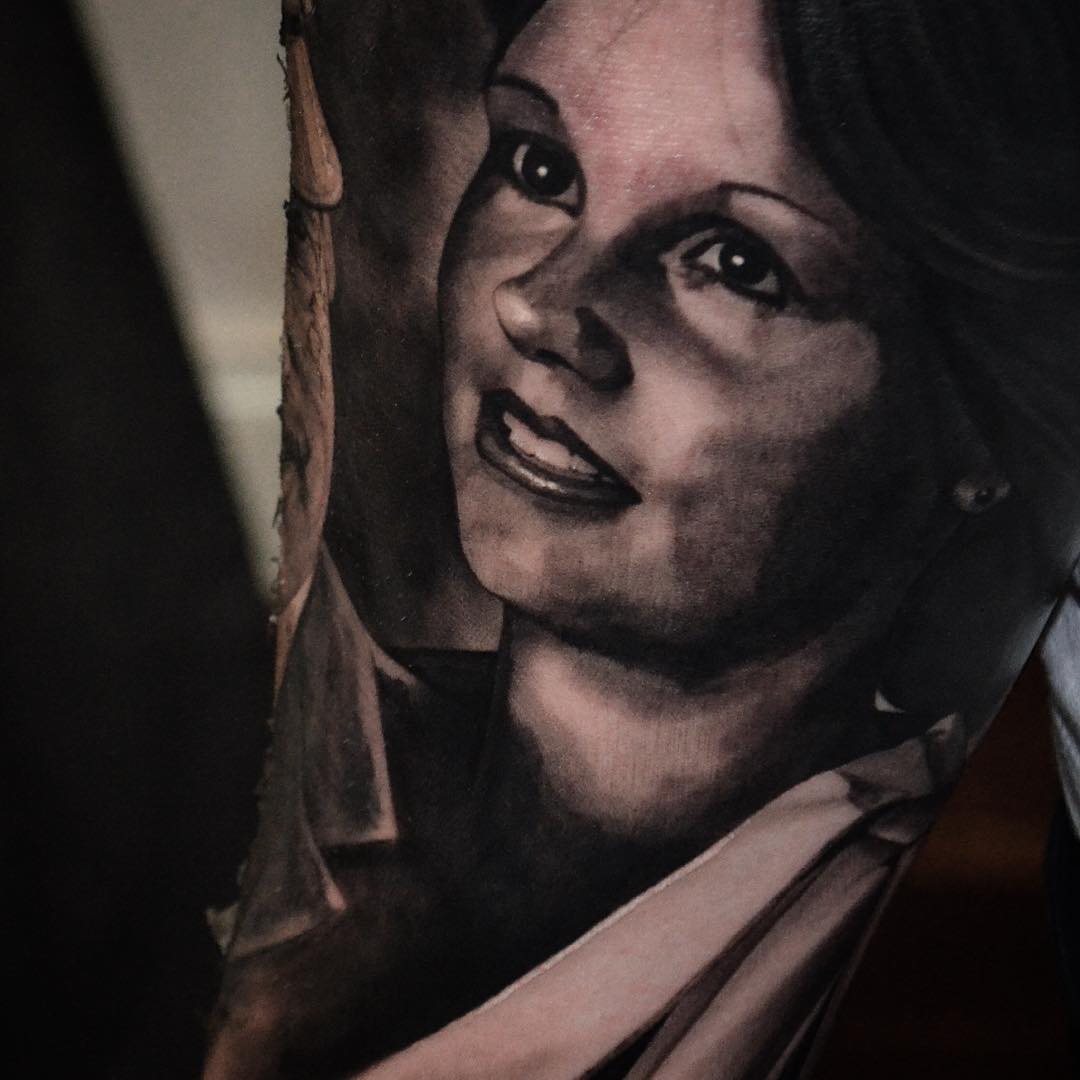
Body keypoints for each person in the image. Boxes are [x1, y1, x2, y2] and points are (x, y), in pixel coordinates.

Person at [205, 0, 1080, 1076]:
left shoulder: (861, 914)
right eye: (539, 168)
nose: (539, 306)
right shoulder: (308, 761)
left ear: (988, 417)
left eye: (738, 262)